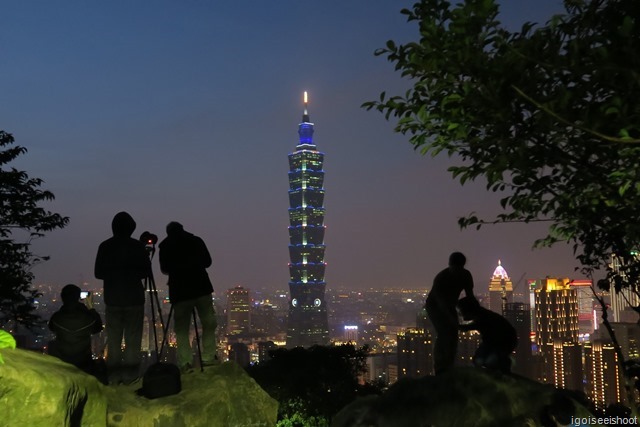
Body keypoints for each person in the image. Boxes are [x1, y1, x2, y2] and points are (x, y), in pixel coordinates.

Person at [94, 211, 150, 384]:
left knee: (114, 341)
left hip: (113, 299)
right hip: (134, 299)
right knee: (133, 341)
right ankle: (131, 378)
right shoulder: (137, 246)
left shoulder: (105, 246)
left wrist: (114, 274)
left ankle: (114, 378)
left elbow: (98, 273)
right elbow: (146, 272)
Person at [159, 221, 218, 372]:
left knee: (181, 329)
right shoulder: (196, 241)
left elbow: (165, 269)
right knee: (208, 323)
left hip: (180, 292)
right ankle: (209, 357)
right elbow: (208, 262)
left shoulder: (165, 246)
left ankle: (185, 363)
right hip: (201, 287)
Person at [425, 251, 475, 374]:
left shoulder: (466, 276)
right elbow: (440, 302)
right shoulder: (442, 277)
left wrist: (475, 312)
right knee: (443, 332)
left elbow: (470, 296)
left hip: (449, 305)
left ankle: (449, 364)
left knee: (452, 334)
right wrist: (452, 318)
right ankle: (440, 367)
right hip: (434, 306)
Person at [48, 284, 103, 374]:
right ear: (78, 297)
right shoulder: (87, 317)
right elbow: (98, 328)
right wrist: (91, 309)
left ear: (63, 298)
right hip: (83, 360)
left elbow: (51, 328)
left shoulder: (56, 317)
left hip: (63, 358)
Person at [457, 296, 518, 373]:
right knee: (481, 360)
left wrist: (451, 323)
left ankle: (502, 367)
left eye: (461, 311)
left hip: (501, 343)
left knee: (484, 361)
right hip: (499, 342)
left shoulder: (482, 318)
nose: (461, 314)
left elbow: (466, 328)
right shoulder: (483, 315)